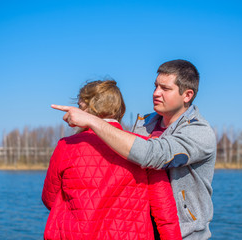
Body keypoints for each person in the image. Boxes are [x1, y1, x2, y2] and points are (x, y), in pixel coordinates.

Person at [51, 59, 217, 239]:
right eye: (155, 86)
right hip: (144, 232)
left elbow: (152, 155)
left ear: (187, 95)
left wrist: (91, 120)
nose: (156, 93)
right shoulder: (143, 125)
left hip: (185, 233)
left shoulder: (200, 133)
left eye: (165, 89)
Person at [42, 80, 182, 240]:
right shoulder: (144, 147)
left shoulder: (66, 146)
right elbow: (164, 211)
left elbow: (50, 199)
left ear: (86, 110)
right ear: (120, 109)